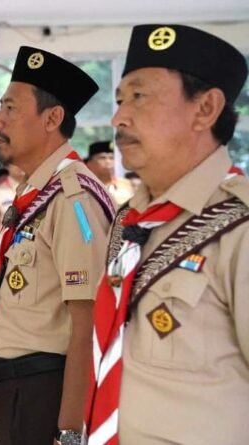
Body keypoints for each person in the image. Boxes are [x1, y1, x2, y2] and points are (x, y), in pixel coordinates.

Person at [85, 24, 249, 445]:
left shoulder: (239, 226)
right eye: (120, 100)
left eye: (139, 96)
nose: (119, 117)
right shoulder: (131, 220)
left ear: (205, 109)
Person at [0, 46, 116, 445]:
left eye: (10, 108)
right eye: (0, 107)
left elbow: (88, 320)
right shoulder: (35, 192)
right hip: (15, 388)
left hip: (45, 391)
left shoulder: (74, 198)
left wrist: (70, 430)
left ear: (52, 119)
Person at [85, 141, 134, 205]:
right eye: (102, 158)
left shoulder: (126, 184)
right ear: (89, 164)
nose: (108, 162)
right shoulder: (83, 185)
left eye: (111, 158)